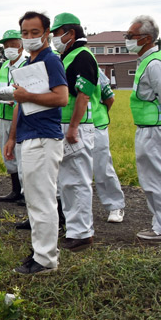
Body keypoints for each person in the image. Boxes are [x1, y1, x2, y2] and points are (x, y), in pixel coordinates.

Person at [4, 11, 69, 275]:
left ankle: (45, 259)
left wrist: (27, 94)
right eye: (25, 33)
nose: (29, 37)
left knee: (42, 199)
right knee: (33, 198)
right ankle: (41, 250)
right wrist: (12, 136)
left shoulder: (50, 61)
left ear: (47, 33)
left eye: (34, 32)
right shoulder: (31, 63)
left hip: (44, 137)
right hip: (29, 136)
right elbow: (23, 103)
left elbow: (61, 98)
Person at [126, 15, 161, 241]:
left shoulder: (155, 63)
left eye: (131, 36)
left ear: (147, 39)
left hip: (155, 129)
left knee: (156, 179)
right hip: (147, 128)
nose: (127, 40)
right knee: (150, 178)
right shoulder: (146, 61)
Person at [50, 13, 101, 251]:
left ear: (70, 33)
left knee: (76, 181)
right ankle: (74, 229)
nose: (53, 38)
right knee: (67, 182)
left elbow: (84, 93)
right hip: (67, 125)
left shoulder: (81, 56)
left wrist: (72, 127)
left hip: (76, 126)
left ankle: (81, 233)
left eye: (56, 33)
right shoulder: (68, 55)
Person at [0, 30, 28, 204]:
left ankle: (25, 191)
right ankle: (15, 189)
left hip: (21, 116)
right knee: (7, 154)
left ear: (21, 45)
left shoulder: (27, 65)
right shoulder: (4, 66)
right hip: (3, 115)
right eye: (6, 45)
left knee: (21, 155)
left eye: (12, 45)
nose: (8, 49)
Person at [92, 70, 126, 223]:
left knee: (102, 166)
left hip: (95, 125)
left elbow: (109, 98)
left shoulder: (93, 68)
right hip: (66, 126)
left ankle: (115, 205)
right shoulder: (58, 63)